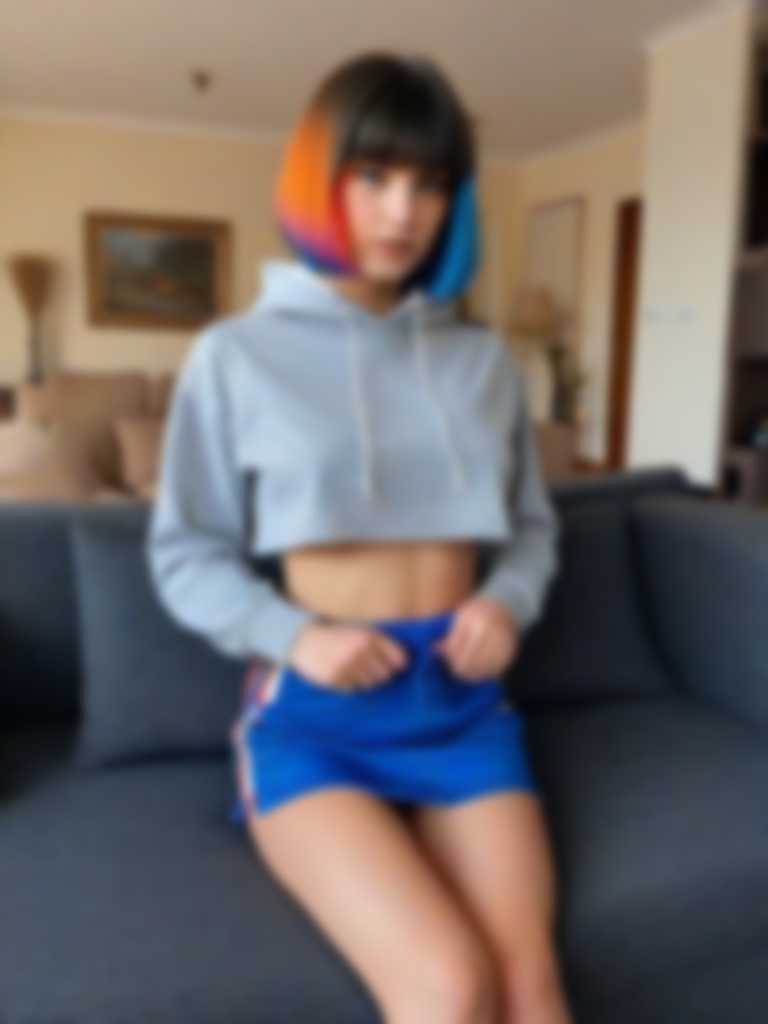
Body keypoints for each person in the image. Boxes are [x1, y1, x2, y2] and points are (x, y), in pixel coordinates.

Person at [146, 50, 573, 1024]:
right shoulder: (234, 355)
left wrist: (506, 602)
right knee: (449, 986)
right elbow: (184, 553)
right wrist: (295, 636)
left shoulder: (483, 361)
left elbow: (532, 529)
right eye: (373, 175)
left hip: (461, 704)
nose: (401, 212)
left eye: (430, 183)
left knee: (530, 988)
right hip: (317, 719)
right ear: (319, 178)